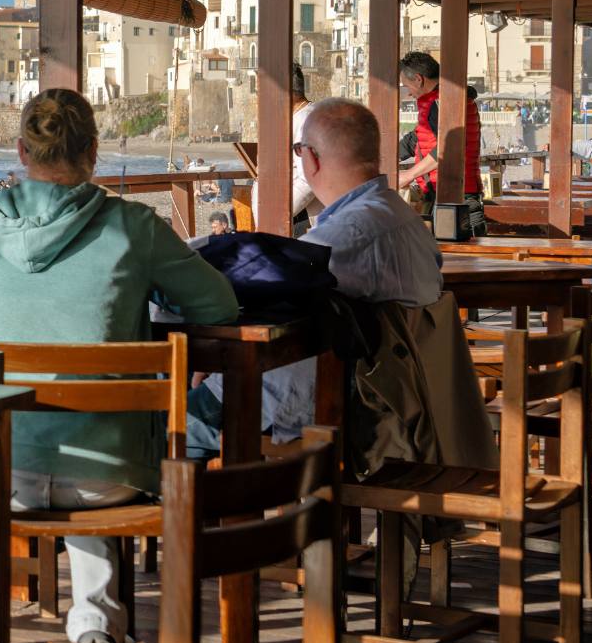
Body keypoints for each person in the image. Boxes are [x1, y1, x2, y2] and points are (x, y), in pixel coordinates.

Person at [0, 89, 238, 643]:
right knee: (91, 460)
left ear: (21, 150)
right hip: (111, 473)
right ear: (93, 152)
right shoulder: (132, 225)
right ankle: (96, 625)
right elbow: (218, 304)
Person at [188, 100, 442, 456]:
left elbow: (269, 282)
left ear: (310, 159)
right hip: (398, 396)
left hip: (335, 405)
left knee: (171, 426)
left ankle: (218, 505)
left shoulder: (348, 234)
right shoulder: (403, 219)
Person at [397, 51, 485, 235]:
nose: (408, 93)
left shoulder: (442, 103)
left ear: (419, 80)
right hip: (446, 191)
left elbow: (449, 149)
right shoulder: (440, 100)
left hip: (454, 195)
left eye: (406, 86)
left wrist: (409, 174)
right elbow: (416, 139)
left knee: (460, 259)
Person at [251, 63, 323, 234]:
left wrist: (276, 214)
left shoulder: (306, 120)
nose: (260, 97)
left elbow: (308, 178)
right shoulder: (299, 117)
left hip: (297, 220)